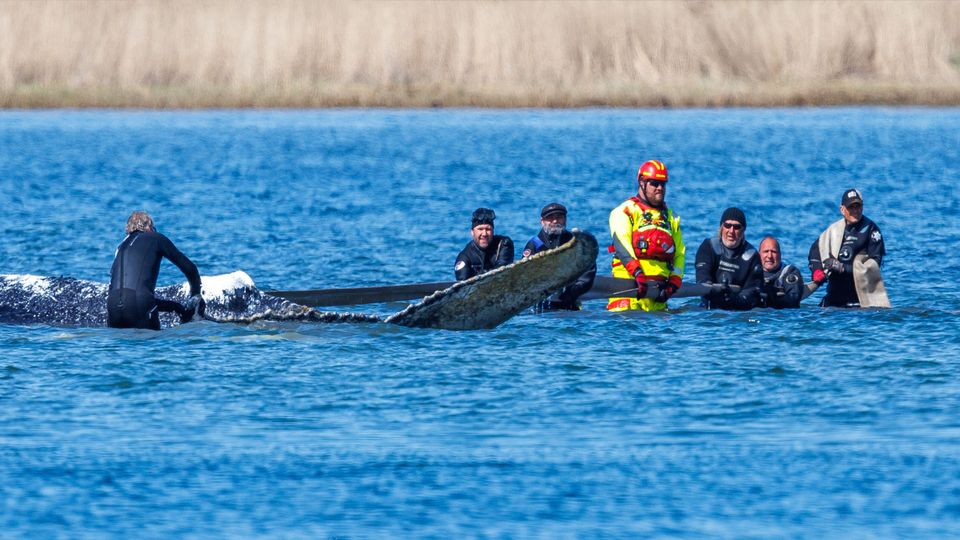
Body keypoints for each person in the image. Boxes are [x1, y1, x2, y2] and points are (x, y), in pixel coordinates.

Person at [607, 159, 685, 312]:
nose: (660, 188)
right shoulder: (625, 211)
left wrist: (675, 281)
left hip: (658, 299)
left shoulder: (671, 218)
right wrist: (637, 273)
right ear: (642, 182)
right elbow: (622, 244)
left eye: (663, 184)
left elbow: (680, 253)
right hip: (628, 295)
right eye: (654, 183)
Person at [107, 211, 204, 330]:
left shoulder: (120, 247)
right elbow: (190, 268)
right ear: (148, 226)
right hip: (139, 305)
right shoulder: (155, 238)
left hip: (112, 308)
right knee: (155, 345)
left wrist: (175, 307)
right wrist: (195, 295)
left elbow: (128, 297)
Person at [808, 188, 885, 308]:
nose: (855, 211)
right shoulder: (834, 230)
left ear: (862, 207)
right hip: (834, 299)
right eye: (851, 207)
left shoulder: (871, 230)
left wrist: (843, 268)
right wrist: (817, 271)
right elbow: (815, 250)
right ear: (842, 210)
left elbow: (874, 266)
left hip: (861, 300)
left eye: (858, 206)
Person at [522, 202, 597, 311]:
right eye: (550, 218)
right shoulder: (534, 244)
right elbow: (523, 275)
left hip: (569, 301)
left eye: (559, 217)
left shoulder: (576, 243)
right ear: (542, 221)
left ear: (565, 219)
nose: (555, 221)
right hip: (539, 306)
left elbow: (588, 272)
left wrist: (571, 294)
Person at [694, 207, 763, 310]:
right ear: (721, 227)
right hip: (708, 310)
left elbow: (753, 290)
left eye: (736, 227)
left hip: (737, 312)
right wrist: (712, 289)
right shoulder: (708, 247)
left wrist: (735, 299)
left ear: (743, 230)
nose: (731, 231)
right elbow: (702, 275)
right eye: (727, 225)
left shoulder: (752, 256)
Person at [454, 207, 514, 281]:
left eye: (488, 229)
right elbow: (462, 286)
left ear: (493, 231)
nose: (484, 234)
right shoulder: (464, 257)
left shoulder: (503, 244)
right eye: (480, 229)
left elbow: (502, 272)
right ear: (472, 232)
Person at [758, 236, 804, 309]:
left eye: (774, 252)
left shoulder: (789, 272)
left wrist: (771, 292)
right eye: (766, 251)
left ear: (780, 254)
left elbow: (793, 300)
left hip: (779, 317)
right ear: (759, 254)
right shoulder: (750, 272)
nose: (769, 256)